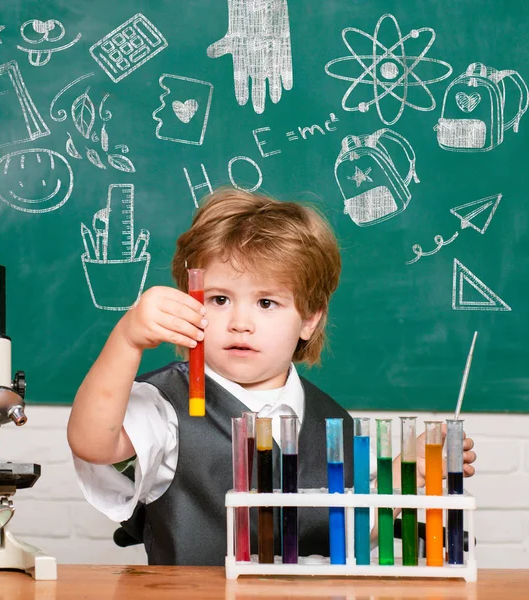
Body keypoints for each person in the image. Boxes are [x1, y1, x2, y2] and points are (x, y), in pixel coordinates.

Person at [68, 188, 476, 565]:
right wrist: (126, 340)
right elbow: (93, 442)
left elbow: (356, 537)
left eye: (267, 302)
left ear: (309, 320)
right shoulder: (168, 407)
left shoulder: (337, 424)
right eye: (220, 299)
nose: (240, 322)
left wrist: (406, 472)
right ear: (190, 303)